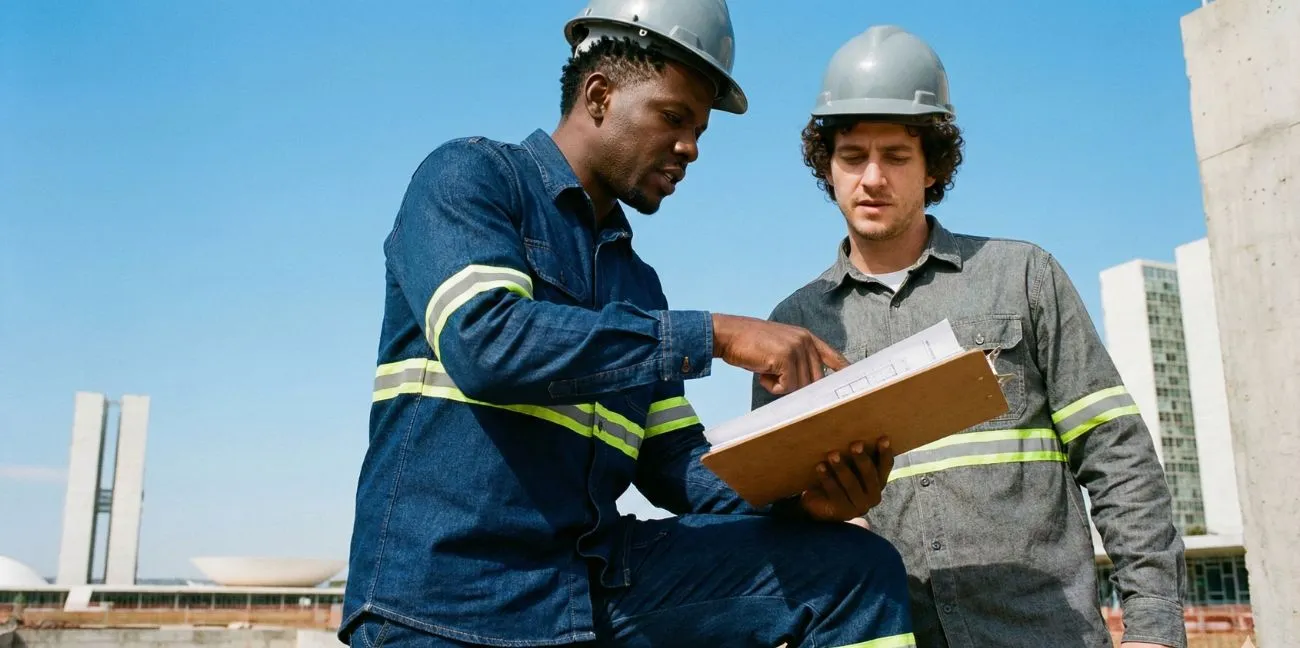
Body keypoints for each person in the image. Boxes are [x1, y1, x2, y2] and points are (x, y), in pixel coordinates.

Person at [341, 3, 918, 647]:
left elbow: (675, 463)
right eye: (674, 118)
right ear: (598, 94)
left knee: (849, 568)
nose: (691, 149)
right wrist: (715, 335)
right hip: (447, 604)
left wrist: (802, 504)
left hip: (587, 589)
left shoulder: (637, 285)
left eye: (699, 130)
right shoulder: (469, 179)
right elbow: (487, 341)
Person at [752, 25, 1188, 648]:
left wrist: (1155, 627)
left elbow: (1116, 455)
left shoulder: (1022, 276)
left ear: (933, 167)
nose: (872, 178)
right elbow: (777, 522)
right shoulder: (792, 329)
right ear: (828, 166)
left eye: (896, 156)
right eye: (852, 156)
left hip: (1042, 632)